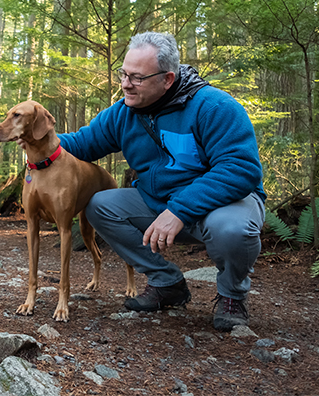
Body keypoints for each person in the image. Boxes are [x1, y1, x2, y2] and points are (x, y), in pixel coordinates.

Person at [58, 31, 266, 331]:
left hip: (223, 205)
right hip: (160, 202)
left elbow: (241, 169)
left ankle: (231, 295)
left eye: (137, 78)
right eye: (124, 74)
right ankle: (166, 283)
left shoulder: (214, 107)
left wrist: (180, 210)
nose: (126, 84)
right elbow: (80, 144)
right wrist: (34, 136)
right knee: (100, 205)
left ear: (167, 79)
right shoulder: (123, 113)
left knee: (232, 229)